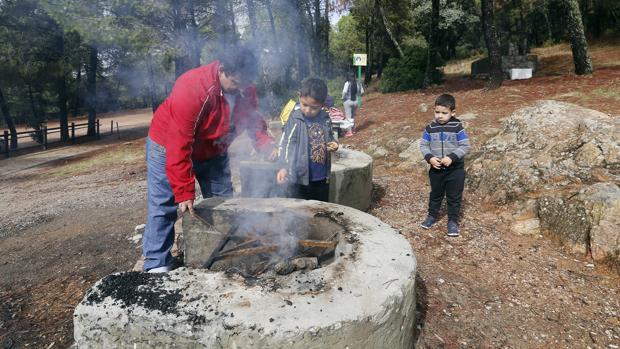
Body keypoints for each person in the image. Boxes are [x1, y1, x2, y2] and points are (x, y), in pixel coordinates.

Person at [144, 46, 276, 273]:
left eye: (245, 84)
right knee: (164, 206)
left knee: (224, 202)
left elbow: (252, 118)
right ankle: (156, 265)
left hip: (213, 148)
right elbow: (179, 142)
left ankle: (222, 254)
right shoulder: (192, 87)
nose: (241, 88)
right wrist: (184, 191)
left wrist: (266, 145)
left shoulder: (244, 86)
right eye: (236, 83)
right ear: (222, 70)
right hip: (167, 145)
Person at [276, 78, 339, 202]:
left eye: (314, 107)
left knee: (320, 210)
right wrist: (283, 167)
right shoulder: (295, 119)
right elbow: (285, 144)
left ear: (322, 104)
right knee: (299, 211)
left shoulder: (325, 119)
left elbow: (330, 137)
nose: (308, 110)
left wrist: (334, 144)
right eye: (304, 105)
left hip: (321, 177)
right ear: (299, 97)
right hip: (300, 178)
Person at [418, 94, 471, 237]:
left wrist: (452, 157)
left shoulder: (457, 127)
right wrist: (429, 158)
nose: (440, 116)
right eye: (437, 112)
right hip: (437, 169)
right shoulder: (430, 128)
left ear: (453, 112)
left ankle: (453, 221)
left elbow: (465, 145)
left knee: (454, 196)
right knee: (435, 194)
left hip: (455, 170)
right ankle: (431, 216)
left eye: (444, 113)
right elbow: (423, 145)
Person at [341, 72, 364, 137]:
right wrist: (358, 96)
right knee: (353, 116)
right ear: (355, 76)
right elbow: (362, 92)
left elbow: (345, 91)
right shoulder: (358, 83)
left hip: (348, 101)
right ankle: (353, 129)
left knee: (348, 117)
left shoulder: (347, 83)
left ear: (348, 77)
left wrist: (342, 98)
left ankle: (349, 132)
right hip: (356, 101)